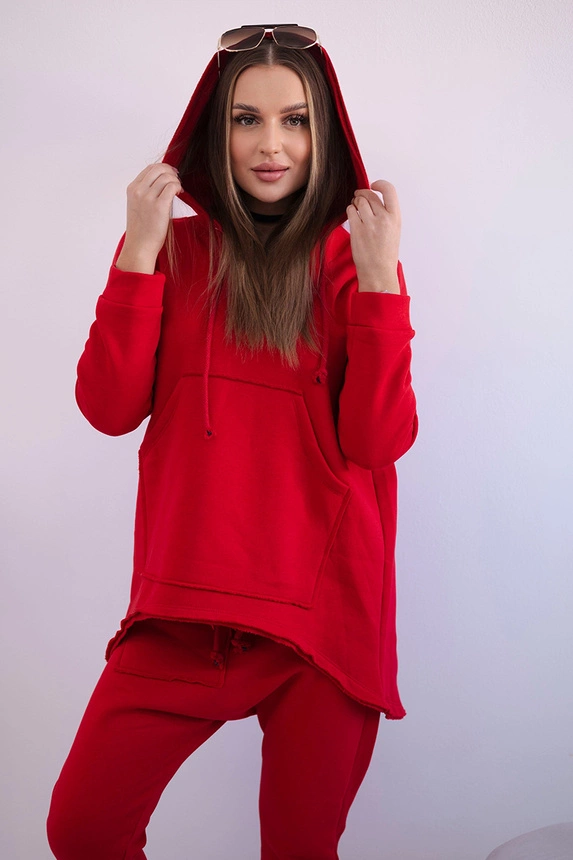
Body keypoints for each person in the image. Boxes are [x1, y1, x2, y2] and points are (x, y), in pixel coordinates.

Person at [46, 24, 418, 860]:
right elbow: (108, 408)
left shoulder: (355, 264)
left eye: (295, 120)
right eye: (246, 119)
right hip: (182, 610)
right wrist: (139, 250)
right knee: (82, 829)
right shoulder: (169, 253)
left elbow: (377, 440)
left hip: (321, 622)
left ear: (325, 134)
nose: (270, 144)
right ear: (215, 133)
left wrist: (379, 281)